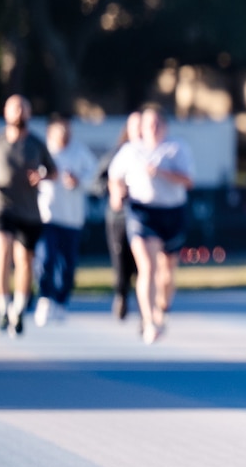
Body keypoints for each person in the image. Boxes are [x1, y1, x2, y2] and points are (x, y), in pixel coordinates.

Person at [110, 105, 194, 344]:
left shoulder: (176, 148)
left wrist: (162, 173)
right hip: (142, 213)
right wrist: (117, 195)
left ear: (165, 126)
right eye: (149, 124)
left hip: (172, 212)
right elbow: (115, 177)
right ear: (142, 128)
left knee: (166, 273)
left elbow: (188, 181)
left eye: (157, 123)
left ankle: (162, 309)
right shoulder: (130, 151)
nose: (153, 128)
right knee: (147, 267)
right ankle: (148, 320)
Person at [0, 94, 53, 334]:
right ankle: (2, 307)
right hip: (1, 206)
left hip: (29, 211)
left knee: (24, 261)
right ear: (6, 113)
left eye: (23, 108)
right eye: (14, 108)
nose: (19, 113)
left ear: (29, 114)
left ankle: (18, 309)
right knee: (3, 251)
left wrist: (42, 176)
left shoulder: (36, 144)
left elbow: (53, 171)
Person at [35, 115, 97, 325]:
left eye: (67, 130)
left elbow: (94, 178)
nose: (64, 134)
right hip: (47, 215)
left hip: (72, 218)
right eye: (60, 130)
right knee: (46, 259)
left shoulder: (80, 153)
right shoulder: (43, 152)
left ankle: (61, 301)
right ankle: (44, 298)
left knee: (68, 264)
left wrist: (79, 181)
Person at [102, 117, 140, 320]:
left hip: (143, 217)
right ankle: (121, 295)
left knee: (143, 263)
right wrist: (114, 191)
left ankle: (146, 308)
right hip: (118, 217)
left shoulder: (153, 152)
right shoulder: (119, 153)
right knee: (121, 262)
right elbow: (99, 179)